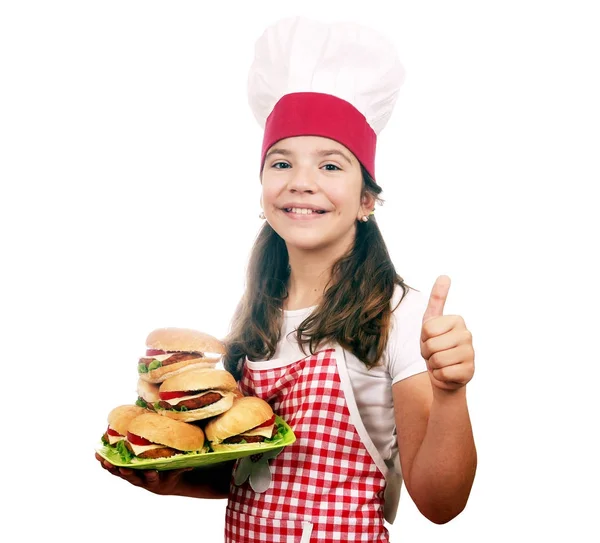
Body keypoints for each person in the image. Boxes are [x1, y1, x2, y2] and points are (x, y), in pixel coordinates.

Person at [96, 15, 477, 542]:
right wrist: (174, 479)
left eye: (330, 166)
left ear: (368, 199)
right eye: (281, 163)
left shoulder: (402, 314)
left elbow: (440, 503)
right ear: (261, 187)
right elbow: (250, 474)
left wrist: (451, 392)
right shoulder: (258, 309)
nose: (301, 182)